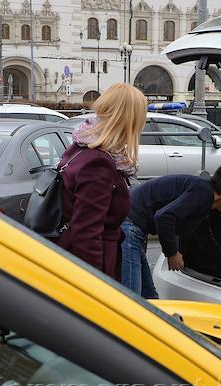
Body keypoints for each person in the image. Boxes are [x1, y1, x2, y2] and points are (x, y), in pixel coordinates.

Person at [54, 83, 146, 281]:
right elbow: (86, 233)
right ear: (130, 120)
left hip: (74, 255)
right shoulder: (98, 163)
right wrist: (97, 284)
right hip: (95, 264)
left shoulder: (81, 146)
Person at [121, 162, 221, 297]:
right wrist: (172, 253)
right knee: (131, 299)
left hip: (132, 226)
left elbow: (206, 240)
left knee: (149, 298)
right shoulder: (202, 192)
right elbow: (164, 217)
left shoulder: (204, 200)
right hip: (129, 226)